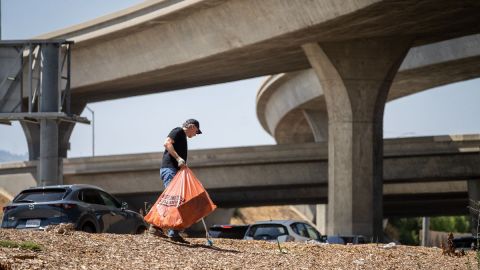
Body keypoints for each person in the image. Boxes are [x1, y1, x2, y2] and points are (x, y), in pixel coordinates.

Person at [149, 119, 202, 243]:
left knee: (177, 200)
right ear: (191, 126)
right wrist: (179, 159)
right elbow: (167, 143)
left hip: (174, 171)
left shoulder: (182, 137)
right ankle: (156, 227)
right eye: (196, 131)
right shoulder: (178, 131)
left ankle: (173, 232)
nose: (195, 134)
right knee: (172, 200)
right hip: (170, 169)